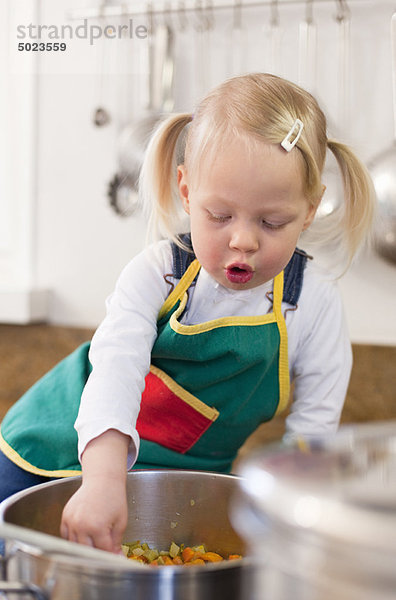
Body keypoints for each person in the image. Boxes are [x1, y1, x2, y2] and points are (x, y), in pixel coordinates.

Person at [0, 73, 375, 553]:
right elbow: (116, 372)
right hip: (60, 449)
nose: (243, 239)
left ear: (309, 209)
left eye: (272, 221)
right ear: (185, 191)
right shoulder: (156, 275)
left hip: (180, 476)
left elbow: (313, 435)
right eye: (219, 216)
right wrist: (101, 479)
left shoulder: (314, 305)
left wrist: (297, 519)